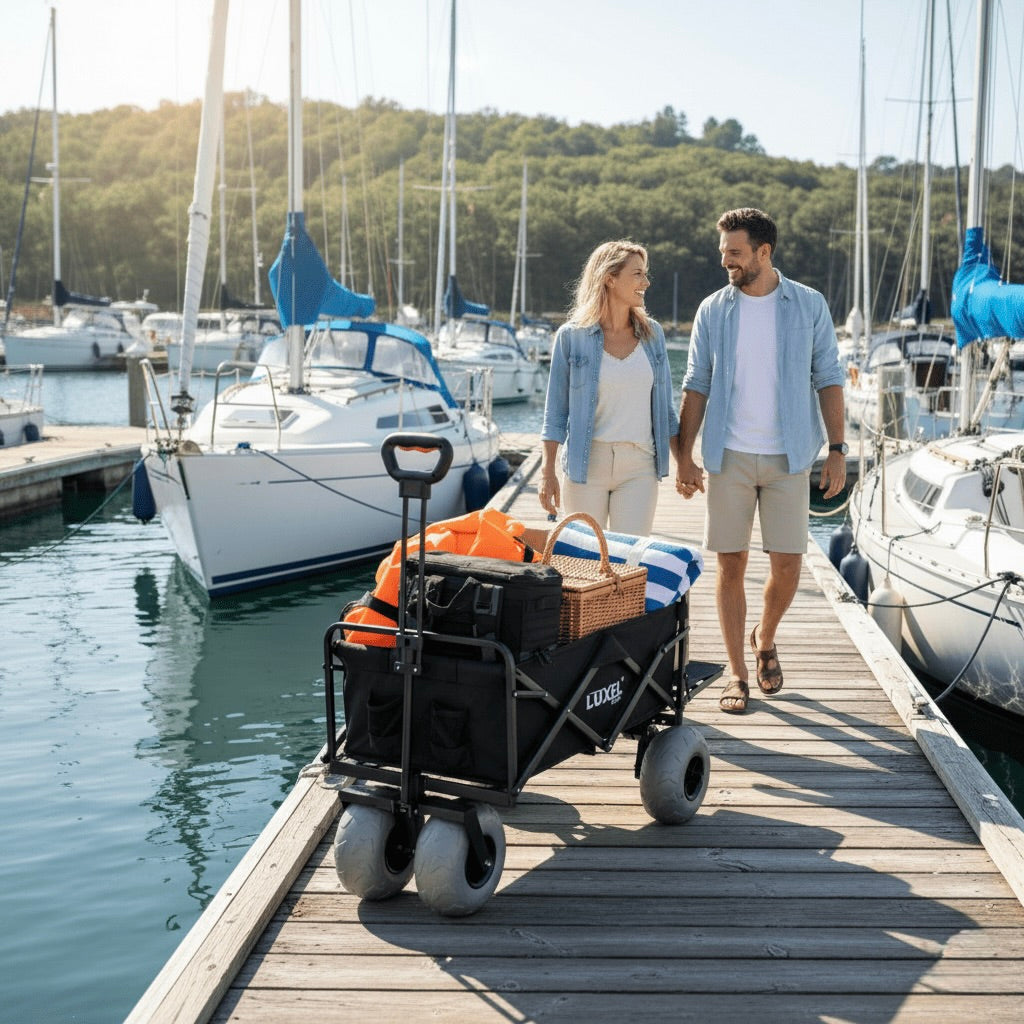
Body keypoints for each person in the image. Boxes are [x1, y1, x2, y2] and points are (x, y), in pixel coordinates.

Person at [676, 208, 846, 714]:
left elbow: (829, 377)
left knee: (789, 564)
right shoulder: (713, 309)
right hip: (728, 454)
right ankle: (736, 671)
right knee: (730, 564)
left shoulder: (808, 305)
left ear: (763, 252)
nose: (725, 259)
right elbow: (696, 382)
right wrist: (684, 455)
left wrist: (837, 450)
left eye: (734, 251)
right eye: (723, 250)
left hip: (789, 455)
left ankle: (764, 636)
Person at [539, 240, 678, 534]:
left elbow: (666, 411)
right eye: (637, 274)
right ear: (609, 278)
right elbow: (555, 413)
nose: (646, 282)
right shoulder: (571, 337)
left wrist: (685, 463)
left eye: (645, 273)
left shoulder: (654, 336)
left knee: (630, 561)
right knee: (584, 561)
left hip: (640, 465)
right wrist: (547, 472)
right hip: (586, 465)